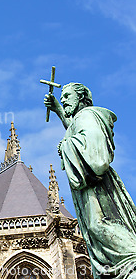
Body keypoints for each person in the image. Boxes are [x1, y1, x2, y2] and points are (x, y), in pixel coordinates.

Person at [45, 83, 136, 278]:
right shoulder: (81, 118)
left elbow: (98, 159)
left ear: (81, 98)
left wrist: (66, 147)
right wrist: (59, 111)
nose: (63, 100)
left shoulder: (88, 116)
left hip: (94, 182)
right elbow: (76, 127)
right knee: (95, 230)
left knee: (100, 226)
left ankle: (131, 265)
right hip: (90, 184)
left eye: (67, 96)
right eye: (62, 98)